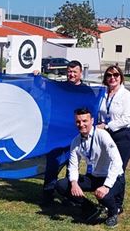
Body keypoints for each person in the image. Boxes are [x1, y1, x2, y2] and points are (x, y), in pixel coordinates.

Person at [55, 108, 125, 228]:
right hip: (93, 177)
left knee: (103, 195)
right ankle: (90, 208)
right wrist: (74, 183)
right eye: (78, 122)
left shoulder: (102, 135)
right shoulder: (76, 141)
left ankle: (113, 213)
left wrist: (106, 186)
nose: (81, 125)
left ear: (92, 120)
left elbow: (117, 161)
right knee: (61, 185)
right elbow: (73, 165)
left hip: (113, 178)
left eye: (84, 121)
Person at [42, 60, 85, 205]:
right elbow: (42, 87)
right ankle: (48, 194)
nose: (72, 75)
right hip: (55, 134)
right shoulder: (59, 87)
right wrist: (36, 76)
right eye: (69, 72)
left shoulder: (86, 91)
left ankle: (68, 196)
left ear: (81, 73)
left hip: (74, 136)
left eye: (75, 72)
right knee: (52, 165)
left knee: (72, 166)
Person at [97, 65, 130, 215]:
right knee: (106, 168)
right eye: (109, 75)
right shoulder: (102, 93)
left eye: (116, 75)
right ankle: (106, 199)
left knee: (118, 170)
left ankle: (117, 204)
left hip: (122, 137)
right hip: (105, 136)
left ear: (121, 77)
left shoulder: (126, 95)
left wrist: (107, 126)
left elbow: (126, 119)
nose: (112, 78)